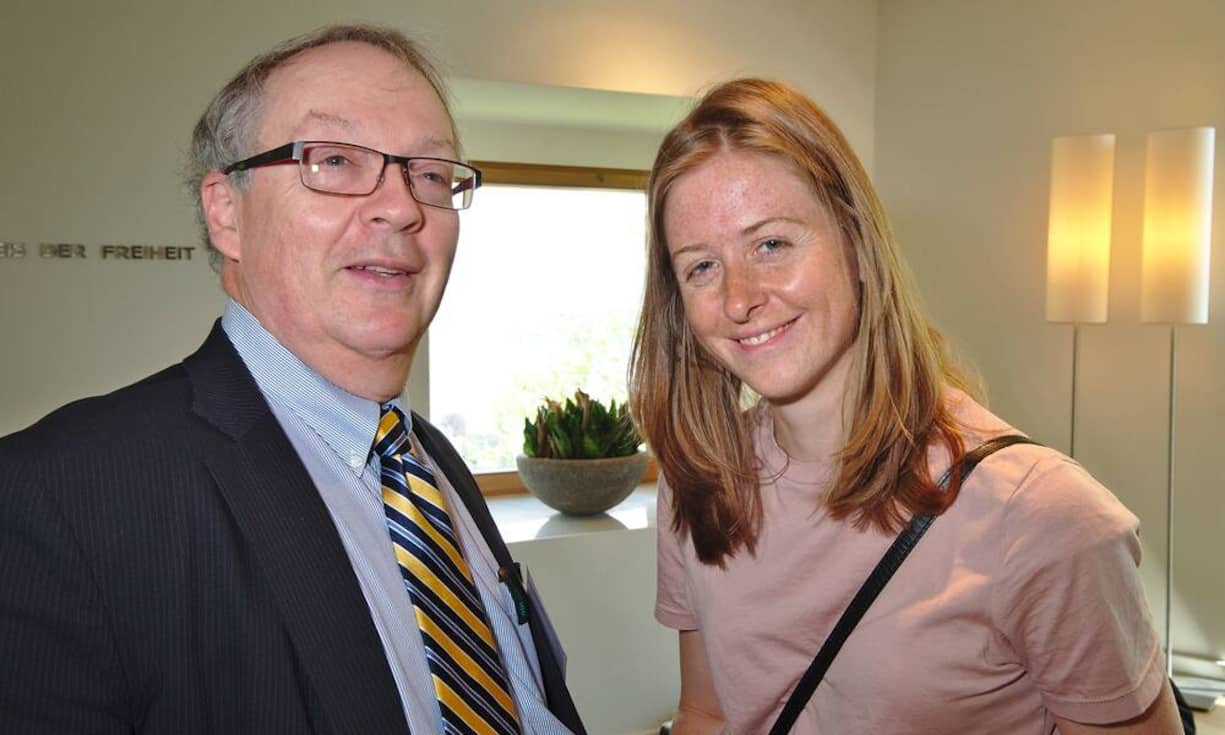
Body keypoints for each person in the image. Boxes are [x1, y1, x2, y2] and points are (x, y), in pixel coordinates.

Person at [0, 24, 583, 735]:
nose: (402, 206)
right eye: (334, 160)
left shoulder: (431, 462)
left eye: (429, 174)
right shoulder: (57, 496)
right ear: (226, 212)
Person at [629, 78, 1182, 734]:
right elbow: (706, 714)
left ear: (857, 243)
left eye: (771, 244)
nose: (739, 297)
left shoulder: (1045, 517)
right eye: (700, 267)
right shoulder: (699, 482)